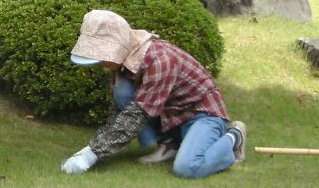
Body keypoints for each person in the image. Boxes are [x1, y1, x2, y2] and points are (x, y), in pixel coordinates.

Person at [60, 9, 247, 179]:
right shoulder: (125, 62)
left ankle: (234, 137)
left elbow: (135, 116)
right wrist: (92, 150)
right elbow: (119, 114)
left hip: (201, 115)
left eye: (102, 56)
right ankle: (169, 146)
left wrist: (90, 155)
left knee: (187, 168)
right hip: (169, 114)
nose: (101, 63)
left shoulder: (159, 60)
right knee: (122, 90)